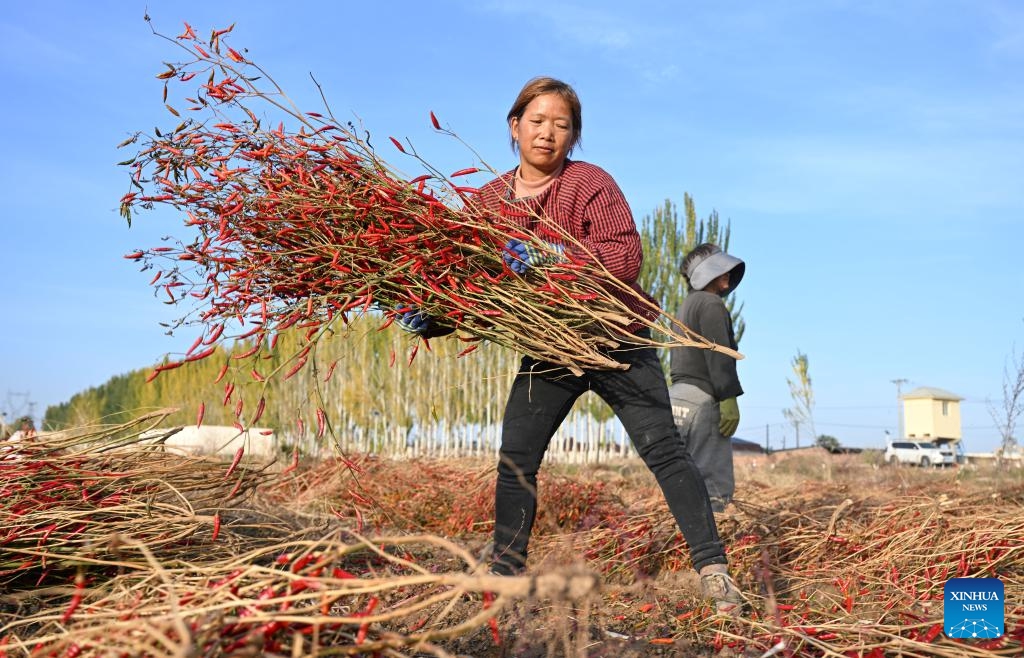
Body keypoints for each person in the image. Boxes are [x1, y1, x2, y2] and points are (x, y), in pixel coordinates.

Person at [398, 77, 744, 614]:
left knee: (665, 452)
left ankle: (714, 571)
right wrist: (431, 317)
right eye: (537, 122)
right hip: (551, 349)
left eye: (561, 125)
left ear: (574, 136)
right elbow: (467, 288)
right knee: (517, 457)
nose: (548, 134)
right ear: (515, 128)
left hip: (616, 341)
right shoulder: (488, 202)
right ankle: (505, 576)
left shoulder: (590, 184)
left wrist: (555, 258)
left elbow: (624, 258)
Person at [669, 243, 745, 513]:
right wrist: (728, 397)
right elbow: (719, 355)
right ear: (707, 274)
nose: (728, 275)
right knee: (714, 487)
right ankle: (713, 548)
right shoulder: (711, 304)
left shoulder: (685, 306)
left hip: (677, 398)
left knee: (684, 481)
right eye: (721, 269)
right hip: (702, 400)